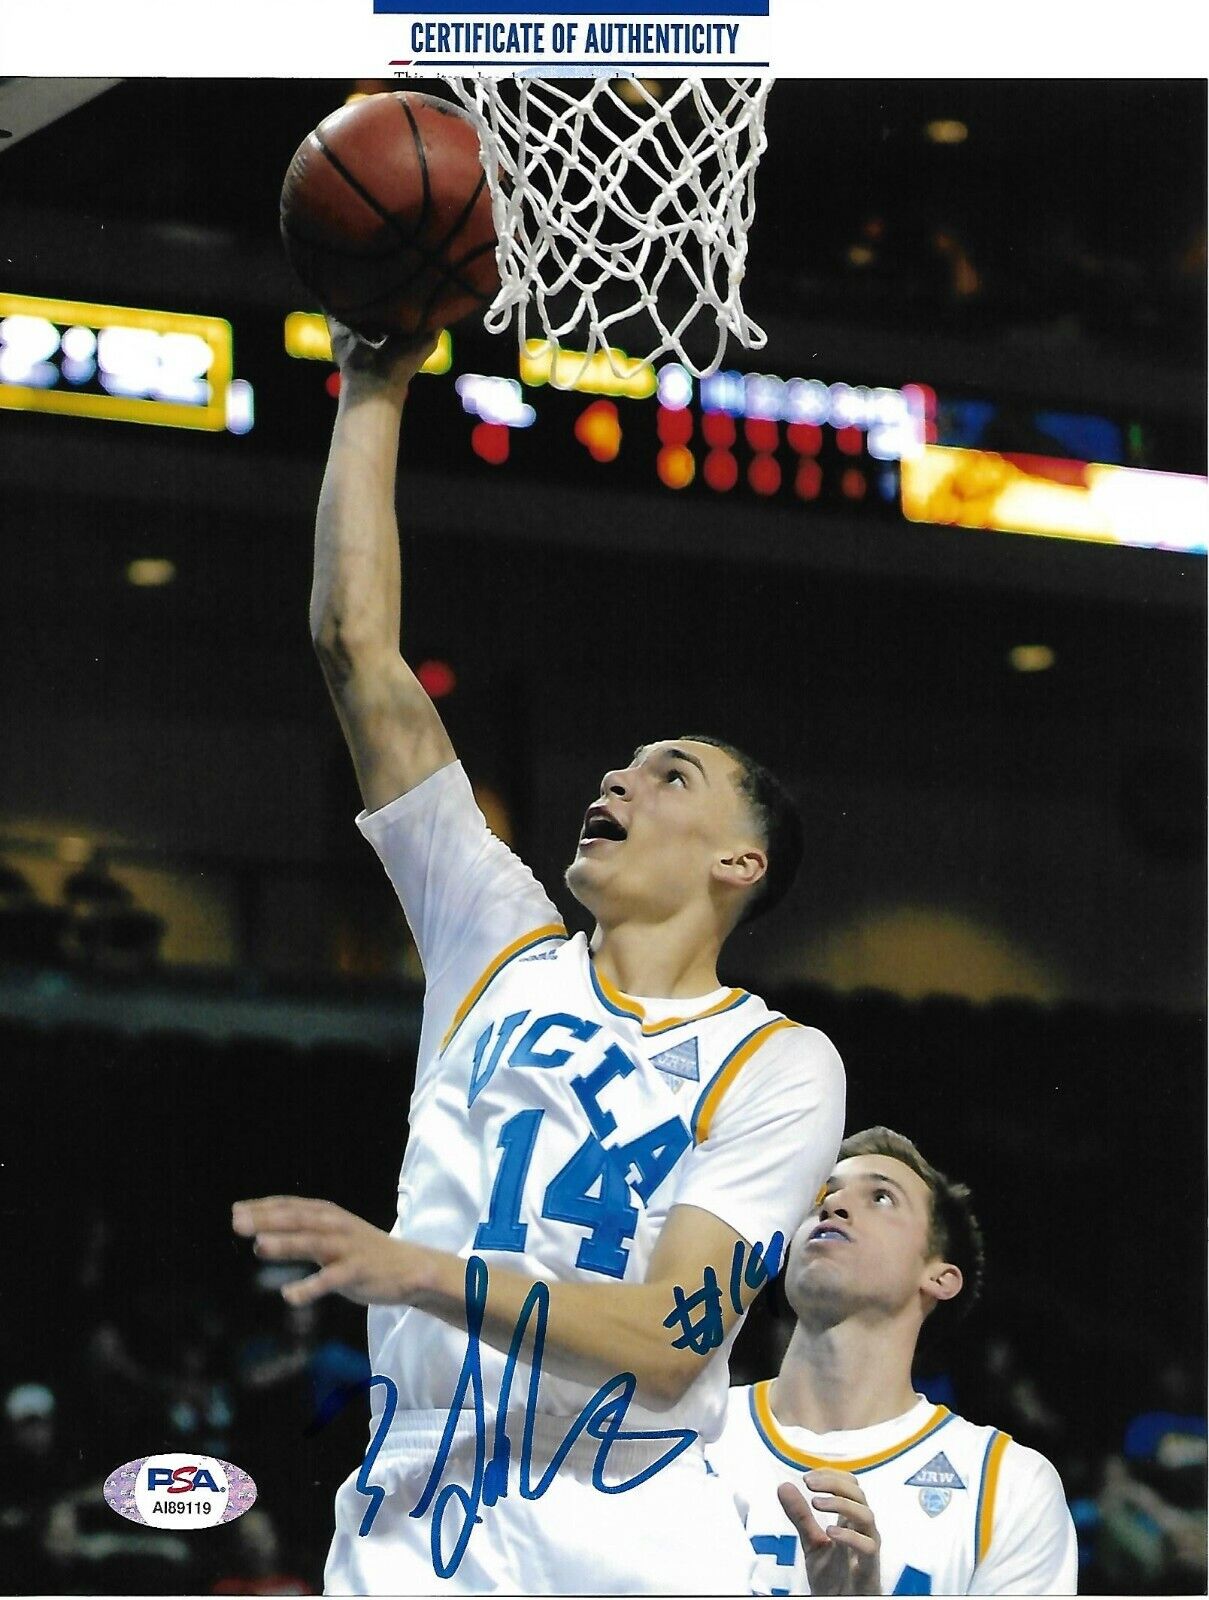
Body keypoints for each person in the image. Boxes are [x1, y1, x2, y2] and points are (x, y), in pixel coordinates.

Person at [232, 325, 846, 1595]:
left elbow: (673, 1347)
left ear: (742, 864)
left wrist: (416, 1269)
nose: (618, 776)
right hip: (414, 1503)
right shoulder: (498, 944)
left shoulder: (778, 1065)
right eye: (622, 763)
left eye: (671, 774)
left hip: (621, 1525)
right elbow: (358, 652)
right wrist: (373, 385)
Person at [706, 1127, 1078, 1595]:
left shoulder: (1009, 1489)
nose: (833, 1206)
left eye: (881, 1198)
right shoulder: (685, 1431)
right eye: (825, 1192)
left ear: (939, 1277)